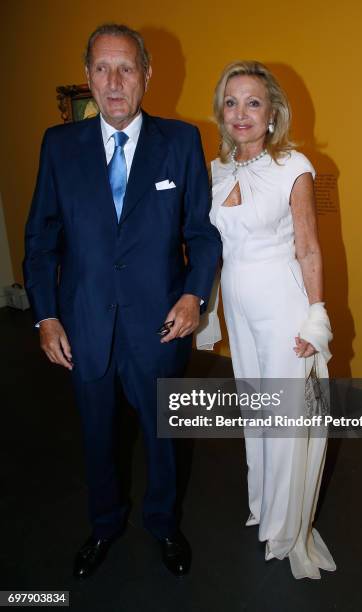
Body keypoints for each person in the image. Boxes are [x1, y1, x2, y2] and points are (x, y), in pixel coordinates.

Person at [23, 23, 221, 580]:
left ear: (147, 75)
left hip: (159, 326)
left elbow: (201, 234)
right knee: (97, 439)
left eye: (127, 68)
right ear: (87, 75)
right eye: (103, 68)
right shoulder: (58, 146)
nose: (114, 81)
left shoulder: (180, 142)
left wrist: (193, 295)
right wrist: (45, 315)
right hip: (83, 327)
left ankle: (163, 523)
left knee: (163, 438)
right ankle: (104, 525)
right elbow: (40, 240)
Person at [204, 60, 335, 579]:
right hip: (239, 305)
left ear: (273, 111)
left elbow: (309, 250)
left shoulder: (294, 166)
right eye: (231, 102)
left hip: (282, 304)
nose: (241, 113)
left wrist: (316, 318)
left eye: (253, 102)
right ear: (221, 111)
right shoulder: (216, 170)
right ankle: (263, 510)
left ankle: (285, 528)